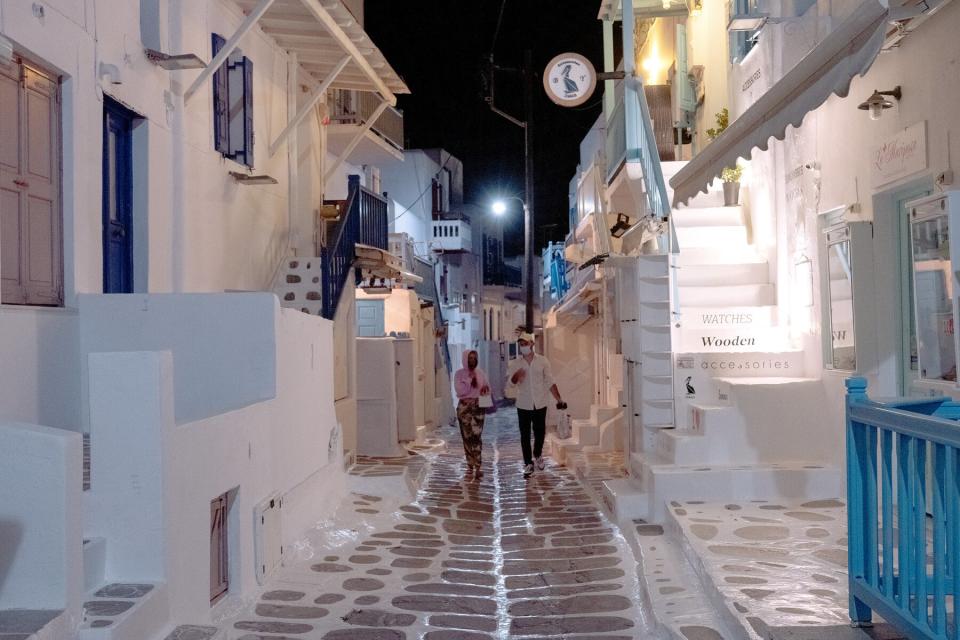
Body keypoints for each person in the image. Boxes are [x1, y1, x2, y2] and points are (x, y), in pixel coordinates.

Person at [506, 332, 564, 478]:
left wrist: (559, 399)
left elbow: (550, 381)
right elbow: (509, 386)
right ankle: (528, 463)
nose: (523, 347)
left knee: (540, 433)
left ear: (532, 344)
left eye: (525, 343)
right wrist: (515, 377)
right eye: (521, 344)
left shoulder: (543, 361)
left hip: (540, 403)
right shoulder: (515, 364)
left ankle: (537, 454)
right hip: (523, 404)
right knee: (524, 435)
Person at [453, 349, 491, 481]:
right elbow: (460, 390)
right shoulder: (459, 374)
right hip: (464, 407)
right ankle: (470, 464)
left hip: (478, 407)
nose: (472, 360)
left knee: (476, 436)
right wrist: (469, 380)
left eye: (474, 358)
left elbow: (487, 387)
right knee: (467, 437)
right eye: (470, 358)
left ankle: (478, 466)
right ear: (465, 359)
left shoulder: (480, 373)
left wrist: (485, 391)